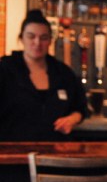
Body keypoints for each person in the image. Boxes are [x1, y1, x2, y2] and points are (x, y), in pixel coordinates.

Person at [0, 9, 87, 140]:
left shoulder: (63, 73)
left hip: (53, 154)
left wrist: (72, 119)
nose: (37, 43)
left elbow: (81, 107)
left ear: (50, 41)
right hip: (13, 153)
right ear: (21, 38)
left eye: (43, 38)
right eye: (31, 36)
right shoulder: (5, 69)